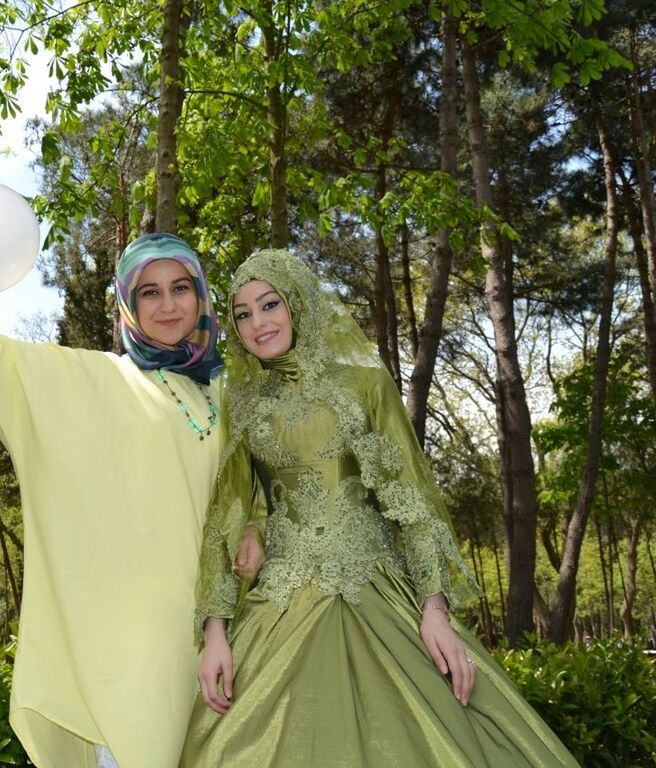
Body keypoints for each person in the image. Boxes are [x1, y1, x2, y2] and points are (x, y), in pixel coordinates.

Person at [0, 232, 263, 768]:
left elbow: (261, 479)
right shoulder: (97, 379)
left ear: (201, 296)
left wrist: (253, 526)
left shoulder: (227, 388)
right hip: (128, 645)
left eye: (180, 288)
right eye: (149, 292)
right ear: (128, 303)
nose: (168, 305)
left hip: (219, 631)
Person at [181, 249, 579, 767]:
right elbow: (230, 509)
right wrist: (215, 632)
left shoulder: (366, 386)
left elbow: (410, 498)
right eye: (242, 313)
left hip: (376, 587)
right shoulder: (243, 403)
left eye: (269, 304)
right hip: (280, 601)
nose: (258, 323)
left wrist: (434, 610)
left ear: (297, 303)